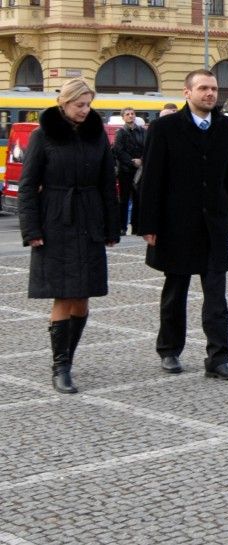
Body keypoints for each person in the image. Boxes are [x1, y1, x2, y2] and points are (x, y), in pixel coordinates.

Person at [138, 69, 228, 381]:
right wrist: (149, 223)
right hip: (176, 224)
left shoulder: (227, 128)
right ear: (187, 93)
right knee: (176, 291)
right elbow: (152, 179)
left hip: (213, 224)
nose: (210, 94)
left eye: (213, 88)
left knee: (216, 295)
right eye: (203, 88)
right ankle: (169, 349)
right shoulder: (164, 128)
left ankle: (219, 358)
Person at [18, 77, 120, 394]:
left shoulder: (97, 136)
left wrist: (111, 226)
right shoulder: (42, 135)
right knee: (64, 294)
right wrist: (31, 230)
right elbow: (26, 188)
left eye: (89, 104)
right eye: (80, 105)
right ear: (64, 103)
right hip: (56, 221)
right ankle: (60, 366)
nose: (85, 110)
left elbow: (107, 183)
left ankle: (69, 357)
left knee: (84, 297)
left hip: (89, 220)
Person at [113, 107, 146, 235]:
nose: (131, 116)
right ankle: (122, 227)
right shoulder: (120, 133)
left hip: (140, 170)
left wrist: (141, 160)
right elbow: (118, 151)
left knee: (138, 199)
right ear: (123, 117)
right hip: (126, 170)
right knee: (124, 199)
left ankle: (136, 226)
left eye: (132, 114)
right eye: (127, 114)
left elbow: (147, 146)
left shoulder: (142, 131)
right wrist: (132, 161)